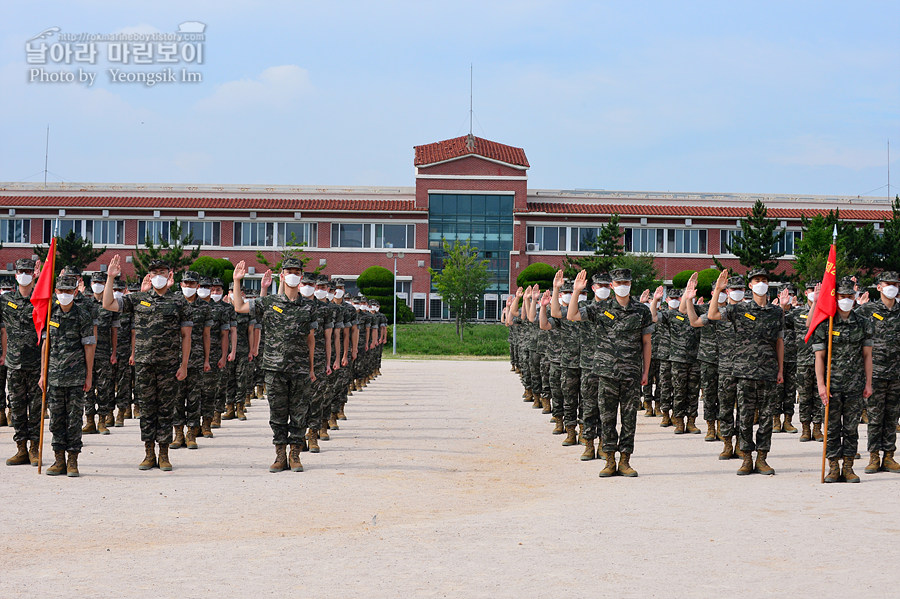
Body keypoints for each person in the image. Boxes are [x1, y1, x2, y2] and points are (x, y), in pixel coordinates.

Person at [103, 256, 191, 471]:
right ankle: (149, 453)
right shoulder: (138, 299)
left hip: (169, 365)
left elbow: (187, 336)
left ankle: (164, 454)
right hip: (144, 364)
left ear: (169, 275)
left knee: (166, 409)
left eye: (162, 272)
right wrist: (110, 278)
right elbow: (108, 304)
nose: (158, 276)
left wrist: (184, 365)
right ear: (149, 276)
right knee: (147, 408)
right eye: (154, 273)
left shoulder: (179, 302)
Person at [231, 259, 316, 472]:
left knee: (299, 413)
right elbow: (239, 306)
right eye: (289, 271)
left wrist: (312, 368)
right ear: (282, 275)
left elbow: (311, 339)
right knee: (277, 414)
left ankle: (295, 455)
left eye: (297, 272)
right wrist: (237, 282)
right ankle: (280, 455)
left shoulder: (308, 307)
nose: (293, 275)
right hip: (274, 368)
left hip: (300, 369)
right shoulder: (269, 303)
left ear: (301, 277)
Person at [568, 268, 653, 477]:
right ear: (612, 285)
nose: (623, 285)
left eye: (626, 281)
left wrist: (646, 372)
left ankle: (625, 461)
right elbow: (572, 315)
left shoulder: (641, 311)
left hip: (631, 374)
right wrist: (577, 292)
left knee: (629, 418)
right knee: (606, 419)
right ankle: (609, 460)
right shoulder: (600, 307)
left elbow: (647, 342)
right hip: (606, 374)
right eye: (618, 282)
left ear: (631, 284)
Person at [706, 268, 784, 475]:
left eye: (764, 280)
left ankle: (762, 459)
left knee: (767, 418)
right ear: (750, 285)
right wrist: (718, 291)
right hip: (744, 372)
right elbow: (712, 314)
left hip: (768, 372)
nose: (761, 283)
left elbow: (779, 342)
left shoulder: (776, 312)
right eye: (757, 280)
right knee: (745, 418)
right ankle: (747, 458)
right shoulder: (739, 310)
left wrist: (780, 370)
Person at [814, 277, 874, 483]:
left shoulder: (863, 323)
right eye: (842, 296)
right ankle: (833, 467)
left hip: (854, 385)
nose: (846, 299)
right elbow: (819, 358)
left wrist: (868, 383)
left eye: (850, 296)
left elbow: (867, 356)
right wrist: (821, 385)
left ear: (855, 297)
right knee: (831, 428)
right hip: (832, 386)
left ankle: (848, 467)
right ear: (835, 296)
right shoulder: (826, 323)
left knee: (851, 429)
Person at [39, 275, 96, 477]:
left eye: (68, 291)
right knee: (56, 420)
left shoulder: (82, 315)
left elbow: (89, 346)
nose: (64, 295)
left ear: (75, 292)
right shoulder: (50, 314)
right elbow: (46, 345)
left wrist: (89, 376)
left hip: (76, 377)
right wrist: (42, 374)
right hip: (54, 376)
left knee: (73, 421)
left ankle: (73, 461)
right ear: (55, 292)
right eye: (61, 291)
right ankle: (58, 460)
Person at [854, 270, 900, 474]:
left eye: (895, 284)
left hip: (896, 373)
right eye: (887, 283)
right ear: (879, 287)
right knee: (874, 417)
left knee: (892, 417)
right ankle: (873, 457)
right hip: (875, 373)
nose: (892, 287)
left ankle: (889, 456)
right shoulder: (867, 310)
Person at [3, 258, 42, 466]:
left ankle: (34, 448)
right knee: (17, 408)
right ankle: (21, 449)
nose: (25, 274)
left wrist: (41, 281)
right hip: (14, 364)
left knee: (35, 410)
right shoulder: (6, 300)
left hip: (35, 365)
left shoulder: (40, 300)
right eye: (21, 271)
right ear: (15, 274)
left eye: (28, 271)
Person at [651, 286, 701, 435]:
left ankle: (691, 422)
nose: (679, 301)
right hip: (676, 359)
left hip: (694, 359)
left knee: (693, 393)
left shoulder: (696, 311)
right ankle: (677, 420)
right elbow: (653, 316)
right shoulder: (670, 315)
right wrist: (655, 300)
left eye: (681, 298)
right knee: (677, 390)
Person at [170, 271, 212, 450]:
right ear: (180, 285)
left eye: (192, 284)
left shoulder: (204, 307)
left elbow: (206, 335)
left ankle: (191, 434)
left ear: (197, 286)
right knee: (176, 397)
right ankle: (178, 434)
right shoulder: (174, 303)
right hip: (175, 357)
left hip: (195, 358)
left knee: (194, 398)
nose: (188, 287)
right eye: (185, 283)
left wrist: (207, 359)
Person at [787, 280, 823, 442]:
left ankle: (817, 428)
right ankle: (805, 428)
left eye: (816, 290)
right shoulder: (797, 313)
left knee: (819, 396)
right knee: (804, 396)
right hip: (802, 360)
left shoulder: (825, 312)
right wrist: (784, 306)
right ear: (805, 293)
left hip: (820, 360)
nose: (813, 292)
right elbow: (780, 322)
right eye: (810, 290)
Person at [84, 271, 116, 435]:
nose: (98, 284)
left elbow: (114, 330)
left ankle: (102, 421)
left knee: (104, 387)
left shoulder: (109, 305)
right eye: (95, 281)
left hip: (104, 352)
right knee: (88, 387)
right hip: (88, 353)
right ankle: (89, 421)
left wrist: (114, 352)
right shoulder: (86, 304)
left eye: (101, 282)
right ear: (91, 284)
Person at [198, 276, 230, 437]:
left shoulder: (220, 309)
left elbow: (225, 335)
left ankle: (207, 423)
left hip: (213, 354)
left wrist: (224, 355)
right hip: (192, 355)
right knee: (192, 392)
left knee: (210, 391)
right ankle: (192, 425)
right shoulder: (188, 305)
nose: (209, 290)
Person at [773, 284, 799, 433]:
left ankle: (788, 421)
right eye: (783, 294)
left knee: (790, 391)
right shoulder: (774, 312)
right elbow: (777, 323)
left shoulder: (798, 313)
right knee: (777, 391)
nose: (787, 296)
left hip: (794, 357)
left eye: (790, 294)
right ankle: (776, 420)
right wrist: (781, 307)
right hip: (777, 358)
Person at [0, 277, 13, 428]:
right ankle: (1, 413)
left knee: (13, 386)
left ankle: (11, 412)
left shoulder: (12, 306)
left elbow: (5, 332)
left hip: (13, 353)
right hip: (3, 352)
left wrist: (5, 353)